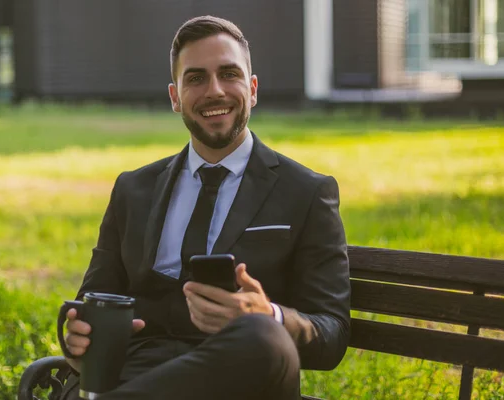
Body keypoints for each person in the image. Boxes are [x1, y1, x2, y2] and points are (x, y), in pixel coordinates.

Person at [60, 15, 350, 400]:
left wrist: (270, 315)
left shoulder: (308, 192)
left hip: (245, 378)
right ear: (175, 97)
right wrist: (78, 332)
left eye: (229, 74)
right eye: (195, 78)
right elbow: (93, 299)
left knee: (263, 335)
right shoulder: (133, 189)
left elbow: (331, 334)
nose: (215, 91)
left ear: (253, 88)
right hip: (138, 372)